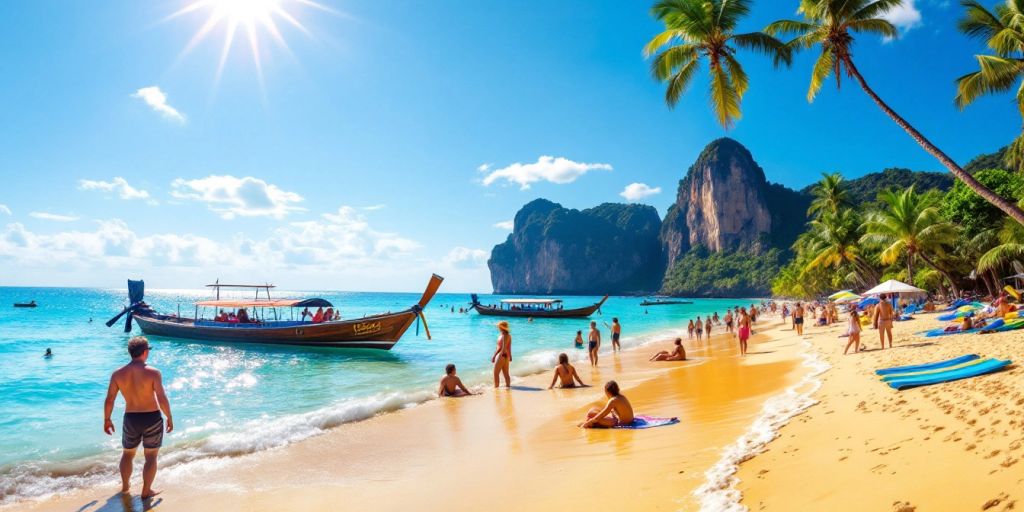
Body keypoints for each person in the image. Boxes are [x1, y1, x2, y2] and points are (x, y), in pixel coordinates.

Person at [103, 337, 173, 499]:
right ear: (145, 352)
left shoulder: (118, 374)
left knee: (127, 454)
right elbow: (162, 398)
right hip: (152, 418)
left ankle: (126, 487)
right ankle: (146, 490)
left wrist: (107, 419)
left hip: (131, 418)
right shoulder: (153, 372)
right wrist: (169, 416)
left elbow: (110, 399)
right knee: (151, 456)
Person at [492, 321, 512, 388]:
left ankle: (496, 388)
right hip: (506, 355)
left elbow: (501, 347)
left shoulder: (504, 335)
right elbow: (509, 347)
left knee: (496, 373)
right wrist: (510, 356)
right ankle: (508, 387)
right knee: (506, 373)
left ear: (501, 327)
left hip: (501, 354)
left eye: (498, 326)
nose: (498, 327)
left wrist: (494, 356)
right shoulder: (508, 335)